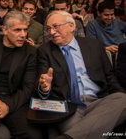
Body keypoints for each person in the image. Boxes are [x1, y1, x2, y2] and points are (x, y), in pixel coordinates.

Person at [37, 10, 126, 139]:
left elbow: (110, 77)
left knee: (122, 98)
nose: (51, 32)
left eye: (56, 27)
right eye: (49, 28)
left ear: (71, 26)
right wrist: (44, 87)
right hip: (70, 106)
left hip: (98, 101)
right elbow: (42, 83)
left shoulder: (93, 45)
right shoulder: (44, 51)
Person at [0, 10, 42, 139]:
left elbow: (28, 88)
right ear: (5, 30)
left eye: (25, 30)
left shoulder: (31, 52)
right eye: (17, 30)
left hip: (13, 99)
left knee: (32, 135)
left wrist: (7, 106)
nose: (23, 35)